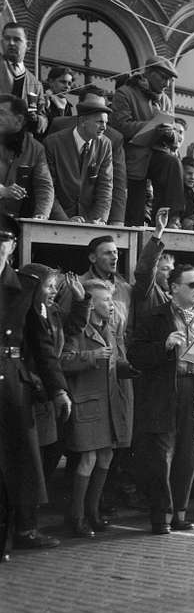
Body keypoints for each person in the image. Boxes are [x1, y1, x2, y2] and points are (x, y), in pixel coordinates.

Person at [128, 264, 194, 534]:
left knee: (188, 454)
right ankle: (161, 515)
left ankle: (180, 514)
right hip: (164, 392)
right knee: (162, 456)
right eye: (192, 285)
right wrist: (163, 346)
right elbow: (135, 355)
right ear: (174, 288)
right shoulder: (154, 317)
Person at [0, 235, 72, 559]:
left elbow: (43, 348)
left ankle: (16, 533)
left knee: (17, 464)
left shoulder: (25, 288)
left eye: (3, 241)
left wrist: (58, 389)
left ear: (12, 247)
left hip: (12, 387)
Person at [59, 279, 133, 537]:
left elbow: (114, 363)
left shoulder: (108, 329)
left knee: (106, 456)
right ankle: (76, 517)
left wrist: (132, 368)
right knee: (88, 458)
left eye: (111, 300)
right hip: (87, 404)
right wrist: (91, 357)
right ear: (90, 303)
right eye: (105, 300)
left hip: (108, 403)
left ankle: (93, 512)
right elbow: (63, 361)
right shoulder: (78, 329)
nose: (111, 305)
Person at [110, 55, 177, 226]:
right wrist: (152, 127)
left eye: (169, 79)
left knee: (172, 163)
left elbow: (174, 131)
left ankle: (171, 217)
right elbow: (120, 126)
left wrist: (170, 135)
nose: (167, 84)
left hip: (157, 154)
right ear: (148, 73)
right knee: (135, 214)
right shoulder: (125, 93)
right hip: (133, 160)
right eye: (163, 77)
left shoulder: (165, 100)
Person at [44, 89, 113, 223]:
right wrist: (64, 220)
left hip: (90, 220)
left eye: (106, 122)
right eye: (99, 122)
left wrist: (97, 220)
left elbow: (105, 187)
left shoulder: (105, 144)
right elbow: (48, 186)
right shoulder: (53, 143)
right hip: (58, 220)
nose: (104, 127)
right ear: (82, 121)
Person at [0, 94, 54, 222]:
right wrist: (3, 191)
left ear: (19, 120)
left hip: (12, 224)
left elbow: (44, 186)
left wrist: (42, 215)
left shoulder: (35, 148)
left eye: (1, 113)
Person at [0, 23, 46, 136]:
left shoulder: (36, 84)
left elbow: (43, 117)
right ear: (1, 42)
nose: (11, 43)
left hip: (19, 144)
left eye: (16, 40)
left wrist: (36, 119)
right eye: (7, 39)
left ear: (28, 45)